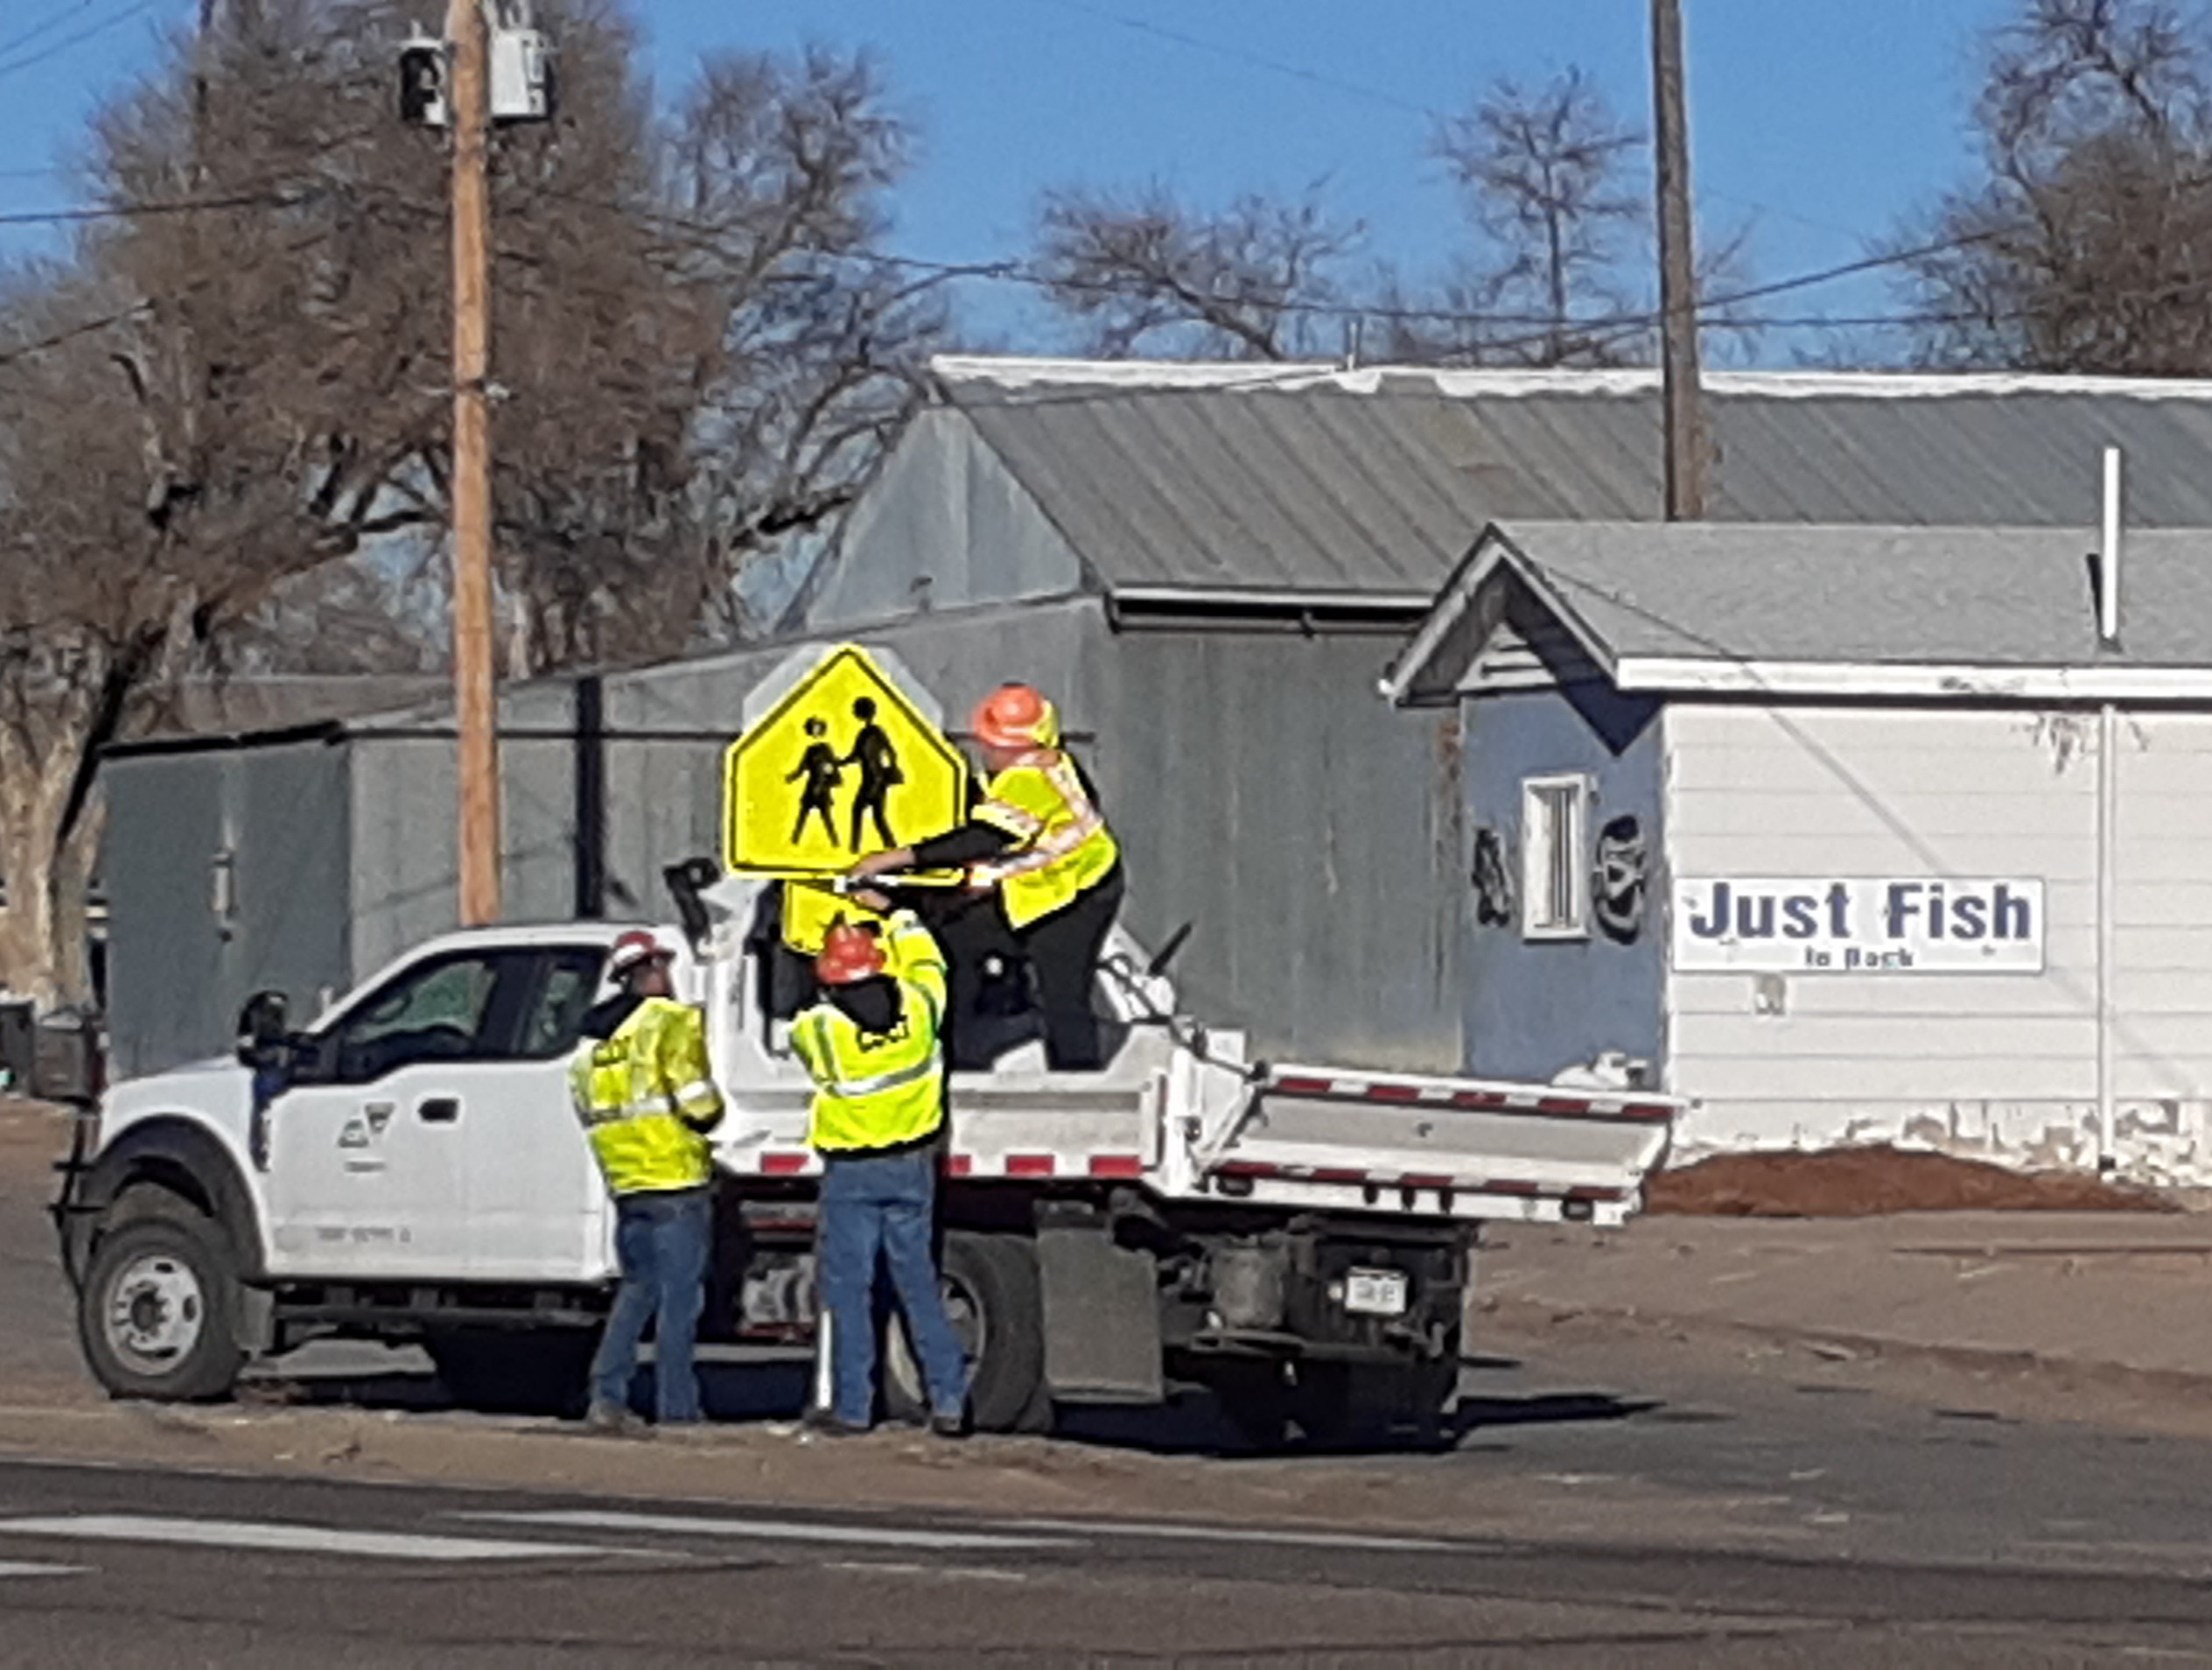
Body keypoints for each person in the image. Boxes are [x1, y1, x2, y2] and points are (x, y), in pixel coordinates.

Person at [852, 683, 1123, 1070]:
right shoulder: (1052, 761)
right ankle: (962, 1049)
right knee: (958, 940)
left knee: (1061, 992)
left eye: (995, 744)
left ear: (1021, 747)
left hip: (1076, 895)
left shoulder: (1026, 781)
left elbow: (982, 838)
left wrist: (892, 860)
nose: (986, 751)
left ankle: (1077, 1080)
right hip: (1057, 881)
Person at [792, 916, 969, 1436]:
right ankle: (949, 1401)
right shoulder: (919, 1005)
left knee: (851, 1292)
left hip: (853, 1173)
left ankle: (853, 1408)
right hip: (912, 1168)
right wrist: (899, 918)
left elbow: (798, 1021)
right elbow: (929, 964)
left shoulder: (822, 1032)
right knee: (919, 1287)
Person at [569, 930, 726, 1432]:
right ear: (651, 971)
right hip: (676, 1181)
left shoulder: (589, 1047)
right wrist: (709, 1120)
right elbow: (699, 1103)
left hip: (627, 1186)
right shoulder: (668, 1022)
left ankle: (606, 1395)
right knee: (680, 1303)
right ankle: (677, 1409)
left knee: (636, 1293)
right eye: (662, 966)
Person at [843, 695, 903, 853]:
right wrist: (838, 762)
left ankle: (854, 848)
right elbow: (855, 756)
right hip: (876, 779)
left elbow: (891, 751)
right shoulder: (866, 733)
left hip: (873, 779)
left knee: (858, 810)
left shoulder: (873, 732)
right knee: (878, 816)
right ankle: (892, 848)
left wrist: (891, 768)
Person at [788, 717, 843, 846]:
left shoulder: (826, 748)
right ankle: (794, 841)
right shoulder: (810, 750)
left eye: (817, 728)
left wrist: (833, 774)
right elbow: (801, 768)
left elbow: (832, 765)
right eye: (813, 728)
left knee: (827, 817)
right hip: (811, 787)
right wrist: (790, 777)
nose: (815, 731)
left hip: (823, 788)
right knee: (802, 815)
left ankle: (835, 842)